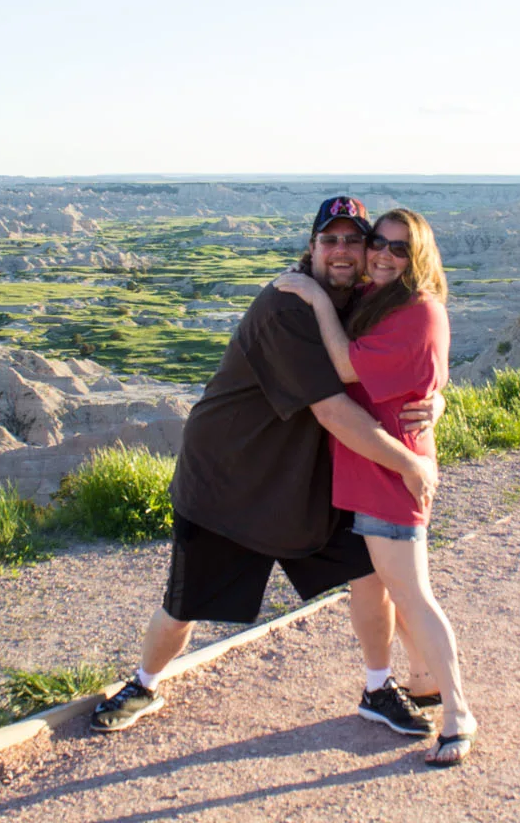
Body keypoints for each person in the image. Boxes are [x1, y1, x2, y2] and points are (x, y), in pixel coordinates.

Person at [90, 197, 443, 736]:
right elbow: (333, 411)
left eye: (356, 240)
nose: (344, 251)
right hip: (231, 481)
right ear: (312, 248)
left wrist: (436, 399)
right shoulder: (287, 308)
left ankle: (378, 688)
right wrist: (410, 465)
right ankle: (144, 682)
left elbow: (407, 358)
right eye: (331, 240)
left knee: (368, 575)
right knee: (186, 601)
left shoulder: (361, 303)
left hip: (302, 485)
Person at [273, 208, 477, 767]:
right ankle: (422, 681)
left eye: (398, 248)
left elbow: (344, 365)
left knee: (413, 595)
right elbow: (433, 373)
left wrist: (313, 296)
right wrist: (437, 396)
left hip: (394, 473)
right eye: (378, 244)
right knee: (384, 590)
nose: (384, 255)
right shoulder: (378, 296)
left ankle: (459, 714)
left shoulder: (418, 311)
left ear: (421, 256)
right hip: (367, 471)